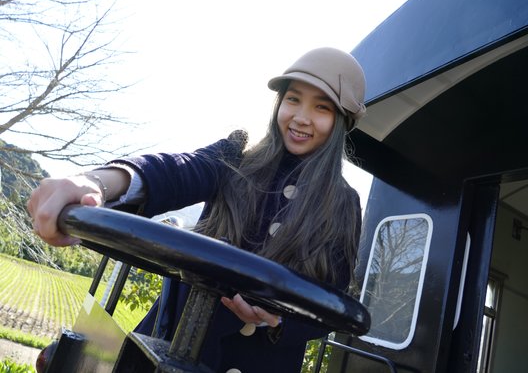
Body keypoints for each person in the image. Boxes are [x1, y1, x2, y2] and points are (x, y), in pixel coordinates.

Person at [27, 47, 367, 373]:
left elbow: (332, 298)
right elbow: (177, 170)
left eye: (321, 108)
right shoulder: (236, 158)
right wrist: (98, 183)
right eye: (293, 99)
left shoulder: (342, 205)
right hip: (175, 346)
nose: (301, 117)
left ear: (340, 122)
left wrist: (277, 318)